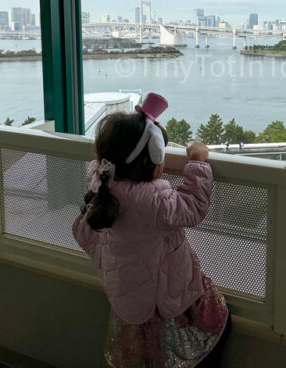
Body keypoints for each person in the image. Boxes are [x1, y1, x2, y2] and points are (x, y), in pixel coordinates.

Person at [73, 93, 229, 368]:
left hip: (129, 302)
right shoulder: (151, 200)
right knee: (203, 335)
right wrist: (198, 162)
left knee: (145, 360)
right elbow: (193, 207)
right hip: (164, 299)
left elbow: (84, 233)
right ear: (151, 160)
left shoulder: (103, 190)